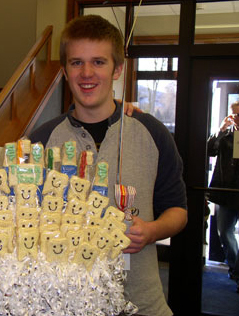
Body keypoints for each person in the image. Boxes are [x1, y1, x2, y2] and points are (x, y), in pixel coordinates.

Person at [29, 15, 188, 316]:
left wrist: (152, 231)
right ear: (64, 71)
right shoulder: (40, 140)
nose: (87, 73)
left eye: (99, 62)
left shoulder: (151, 133)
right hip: (64, 304)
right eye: (76, 62)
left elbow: (178, 210)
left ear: (117, 69)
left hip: (142, 303)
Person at [207, 100, 239, 292]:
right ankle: (235, 267)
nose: (235, 118)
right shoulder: (226, 135)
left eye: (238, 114)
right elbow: (209, 150)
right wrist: (220, 129)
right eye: (233, 114)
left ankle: (237, 272)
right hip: (226, 191)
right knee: (224, 232)